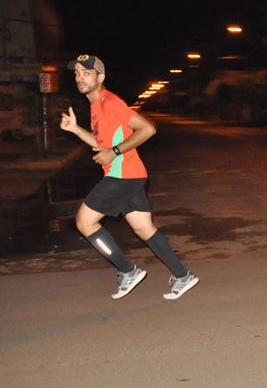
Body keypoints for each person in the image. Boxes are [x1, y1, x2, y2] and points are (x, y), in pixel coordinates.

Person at [59, 53, 199, 301]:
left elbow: (148, 128)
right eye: (77, 73)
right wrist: (75, 129)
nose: (80, 77)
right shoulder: (95, 105)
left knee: (84, 222)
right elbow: (100, 144)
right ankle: (183, 275)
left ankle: (127, 271)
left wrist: (113, 152)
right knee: (144, 229)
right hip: (132, 175)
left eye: (86, 73)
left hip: (121, 176)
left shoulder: (110, 103)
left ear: (100, 77)